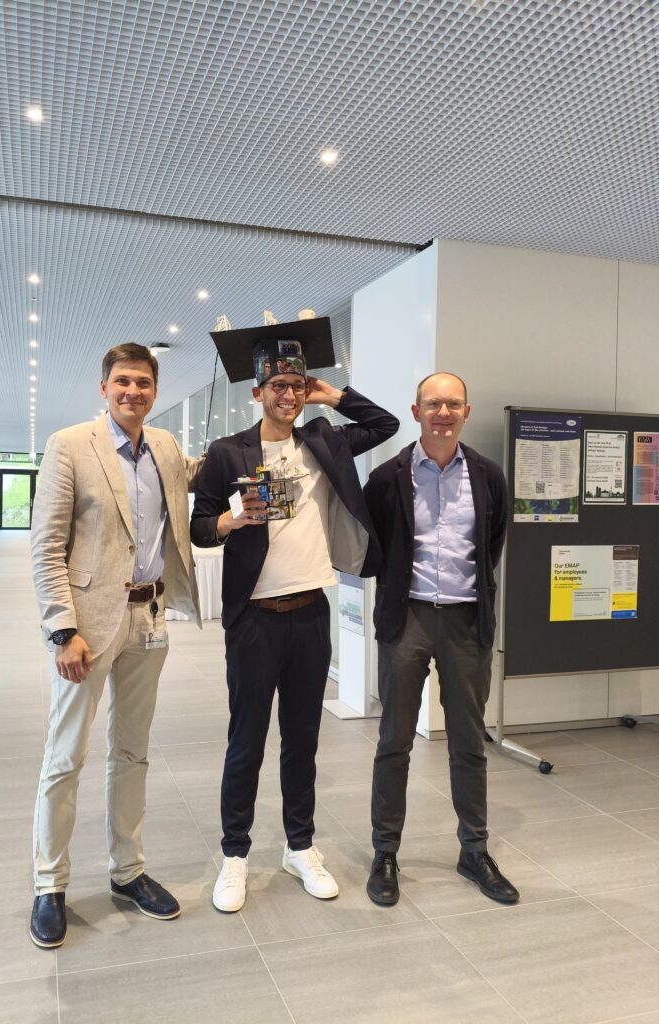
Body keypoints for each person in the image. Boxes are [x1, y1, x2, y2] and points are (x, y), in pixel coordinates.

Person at [191, 317, 398, 912]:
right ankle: (234, 855)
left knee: (302, 739)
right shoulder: (228, 452)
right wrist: (231, 520)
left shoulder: (325, 442)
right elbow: (200, 527)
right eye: (277, 385)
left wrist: (331, 394)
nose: (287, 395)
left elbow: (384, 423)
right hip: (254, 619)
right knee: (246, 739)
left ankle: (300, 846)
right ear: (256, 392)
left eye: (296, 384)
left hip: (310, 614)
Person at [29, 343, 201, 948]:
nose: (134, 392)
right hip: (88, 626)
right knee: (65, 756)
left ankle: (127, 872)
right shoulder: (70, 445)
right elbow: (46, 546)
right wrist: (61, 629)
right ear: (103, 388)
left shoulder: (167, 450)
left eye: (144, 383)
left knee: (132, 752)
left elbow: (204, 480)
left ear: (155, 391)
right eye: (123, 382)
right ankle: (49, 883)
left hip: (149, 620)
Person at [364, 372, 519, 906]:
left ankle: (473, 850)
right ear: (416, 411)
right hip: (406, 619)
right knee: (395, 743)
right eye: (434, 403)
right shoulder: (388, 477)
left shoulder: (489, 475)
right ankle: (385, 853)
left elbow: (492, 542)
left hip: (465, 623)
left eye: (453, 403)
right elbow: (374, 546)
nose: (443, 412)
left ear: (466, 412)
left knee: (469, 744)